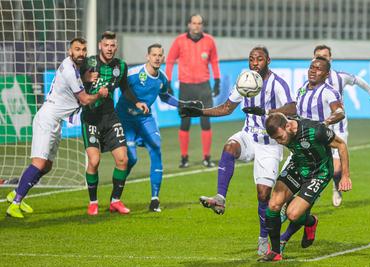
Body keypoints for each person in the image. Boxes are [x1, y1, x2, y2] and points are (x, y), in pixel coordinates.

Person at [180, 46, 296, 256]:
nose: (254, 63)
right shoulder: (245, 81)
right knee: (229, 147)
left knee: (263, 195)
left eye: (259, 59)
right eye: (251, 59)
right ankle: (220, 198)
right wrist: (199, 112)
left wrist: (267, 111)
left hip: (269, 144)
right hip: (249, 136)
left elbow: (293, 107)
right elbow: (226, 107)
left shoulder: (277, 83)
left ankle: (263, 238)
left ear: (268, 61)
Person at [6, 37, 109, 218]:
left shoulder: (72, 67)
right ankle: (15, 204)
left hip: (55, 122)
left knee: (46, 167)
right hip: (47, 119)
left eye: (84, 50)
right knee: (38, 163)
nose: (81, 53)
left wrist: (85, 77)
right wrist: (99, 94)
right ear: (70, 51)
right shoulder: (70, 70)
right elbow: (84, 99)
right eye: (77, 49)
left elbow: (74, 84)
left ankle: (15, 193)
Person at [116, 43, 202, 212]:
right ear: (147, 57)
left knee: (156, 148)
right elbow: (123, 88)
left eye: (160, 55)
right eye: (153, 55)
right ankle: (115, 195)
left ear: (163, 58)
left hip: (145, 119)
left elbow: (164, 97)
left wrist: (182, 104)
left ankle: (155, 199)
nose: (157, 58)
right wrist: (136, 102)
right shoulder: (134, 73)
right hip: (126, 119)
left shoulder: (162, 78)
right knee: (131, 159)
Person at [258, 113, 351, 262]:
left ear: (288, 126)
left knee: (293, 214)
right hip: (298, 166)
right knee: (273, 204)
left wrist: (345, 176)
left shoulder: (316, 131)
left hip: (319, 173)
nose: (280, 142)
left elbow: (341, 145)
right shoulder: (284, 127)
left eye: (280, 137)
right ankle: (275, 252)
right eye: (276, 139)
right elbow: (281, 112)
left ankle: (311, 221)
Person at [80, 31, 148, 216]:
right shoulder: (89, 63)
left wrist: (137, 102)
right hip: (91, 117)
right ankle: (93, 202)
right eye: (106, 45)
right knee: (94, 161)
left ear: (115, 47)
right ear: (100, 45)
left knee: (123, 160)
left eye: (112, 46)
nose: (109, 49)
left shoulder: (121, 66)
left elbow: (125, 88)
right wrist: (86, 79)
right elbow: (75, 83)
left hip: (110, 117)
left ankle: (115, 201)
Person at [314, 44, 370, 207]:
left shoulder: (340, 77)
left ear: (330, 59)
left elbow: (357, 80)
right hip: (320, 127)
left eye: (324, 56)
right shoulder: (310, 80)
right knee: (316, 166)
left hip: (339, 127)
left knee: (336, 170)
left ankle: (336, 187)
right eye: (318, 57)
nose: (321, 59)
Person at [165, 14, 221, 168]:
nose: (196, 26)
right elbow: (169, 61)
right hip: (186, 87)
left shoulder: (209, 41)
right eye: (194, 23)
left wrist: (217, 81)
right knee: (185, 122)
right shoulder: (179, 41)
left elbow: (214, 61)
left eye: (199, 23)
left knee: (205, 122)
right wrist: (168, 81)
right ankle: (184, 158)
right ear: (189, 24)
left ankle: (207, 157)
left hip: (204, 87)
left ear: (202, 25)